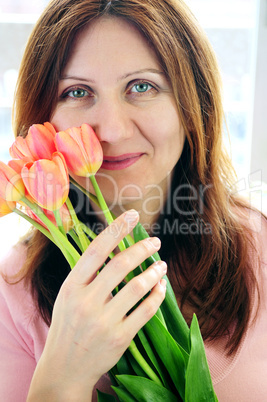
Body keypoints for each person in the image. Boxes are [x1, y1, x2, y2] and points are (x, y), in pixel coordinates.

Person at [0, 0, 266, 400]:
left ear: (193, 103)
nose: (112, 129)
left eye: (142, 86)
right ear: (43, 119)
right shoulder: (12, 293)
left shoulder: (260, 251)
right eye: (77, 91)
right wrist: (60, 378)